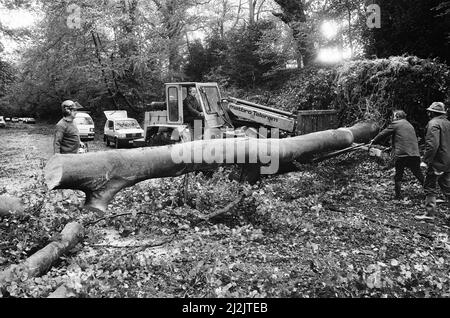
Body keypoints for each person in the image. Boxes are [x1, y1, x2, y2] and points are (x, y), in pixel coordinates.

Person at [369, 110, 424, 199]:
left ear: (397, 117)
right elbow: (403, 140)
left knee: (398, 175)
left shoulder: (397, 123)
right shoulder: (409, 125)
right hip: (414, 154)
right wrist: (391, 147)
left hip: (402, 154)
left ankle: (398, 196)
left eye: (394, 116)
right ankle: (430, 192)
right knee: (418, 173)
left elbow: (384, 133)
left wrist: (374, 140)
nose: (393, 118)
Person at [415, 102, 450, 220]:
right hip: (448, 161)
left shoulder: (433, 123)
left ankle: (429, 214)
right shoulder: (448, 123)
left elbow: (432, 145)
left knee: (429, 186)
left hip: (437, 162)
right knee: (447, 187)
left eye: (430, 111)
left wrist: (425, 160)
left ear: (432, 113)